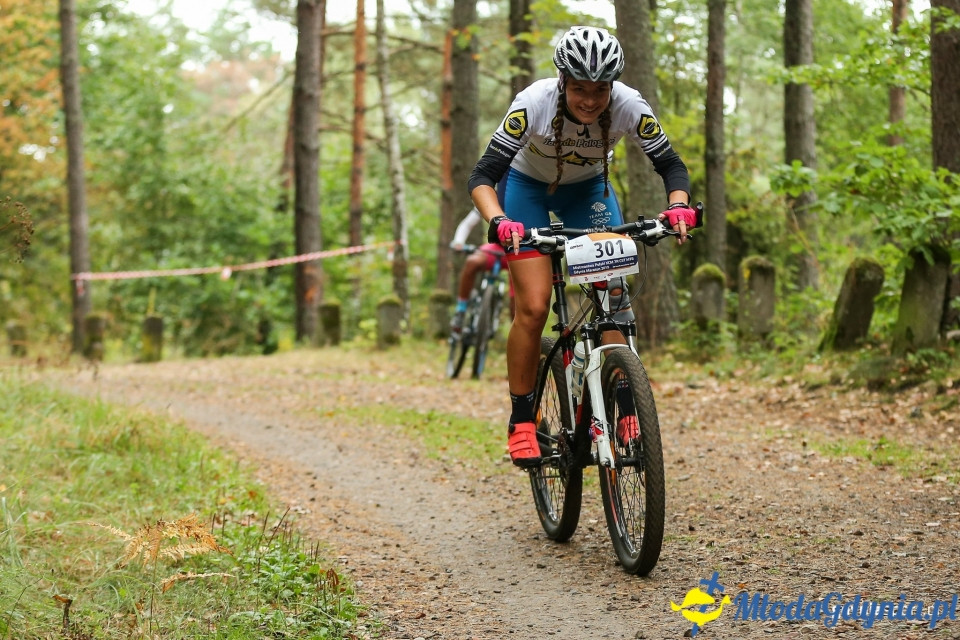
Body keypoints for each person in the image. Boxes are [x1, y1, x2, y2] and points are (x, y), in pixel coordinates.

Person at [467, 26, 697, 468]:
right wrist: (499, 221)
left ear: (613, 86)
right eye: (578, 89)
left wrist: (679, 208)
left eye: (600, 90)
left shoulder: (630, 105)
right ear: (562, 82)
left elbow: (670, 164)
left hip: (588, 191)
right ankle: (521, 420)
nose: (590, 100)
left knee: (613, 294)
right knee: (533, 308)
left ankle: (627, 408)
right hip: (526, 189)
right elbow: (482, 175)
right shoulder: (532, 102)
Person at [449, 207, 513, 335]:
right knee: (472, 261)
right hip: (495, 247)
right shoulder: (491, 196)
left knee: (519, 287)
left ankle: (518, 328)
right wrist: (459, 242)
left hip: (518, 250)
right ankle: (461, 310)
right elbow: (467, 224)